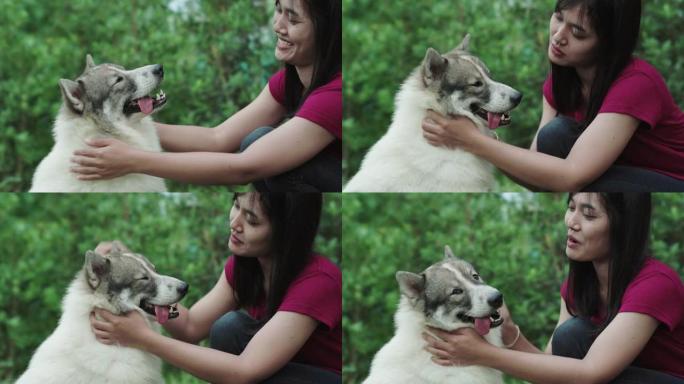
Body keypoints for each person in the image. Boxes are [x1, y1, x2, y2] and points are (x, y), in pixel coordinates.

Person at [71, 0, 342, 192]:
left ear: (327, 29)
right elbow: (218, 138)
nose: (278, 25)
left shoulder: (334, 94)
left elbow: (243, 168)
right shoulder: (292, 78)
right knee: (254, 140)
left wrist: (133, 159)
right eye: (278, 9)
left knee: (257, 143)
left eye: (293, 19)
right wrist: (121, 126)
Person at [421, 0, 684, 192]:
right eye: (558, 18)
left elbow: (571, 176)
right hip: (622, 177)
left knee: (591, 190)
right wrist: (481, 137)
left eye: (577, 32)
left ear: (608, 43)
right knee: (553, 137)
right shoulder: (562, 80)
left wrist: (473, 141)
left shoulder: (637, 84)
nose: (559, 37)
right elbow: (537, 174)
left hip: (673, 180)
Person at [424, 193, 684, 383]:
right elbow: (552, 368)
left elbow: (591, 373)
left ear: (623, 227)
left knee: (575, 339)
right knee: (570, 337)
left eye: (589, 214)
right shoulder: (578, 286)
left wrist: (482, 354)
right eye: (571, 207)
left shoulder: (655, 285)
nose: (572, 221)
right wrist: (508, 330)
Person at [90, 193, 342, 383]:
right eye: (236, 206)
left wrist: (144, 338)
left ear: (286, 233)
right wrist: (142, 282)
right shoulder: (246, 266)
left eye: (252, 220)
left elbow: (245, 369)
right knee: (229, 329)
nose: (235, 223)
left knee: (230, 331)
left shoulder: (318, 282)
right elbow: (190, 326)